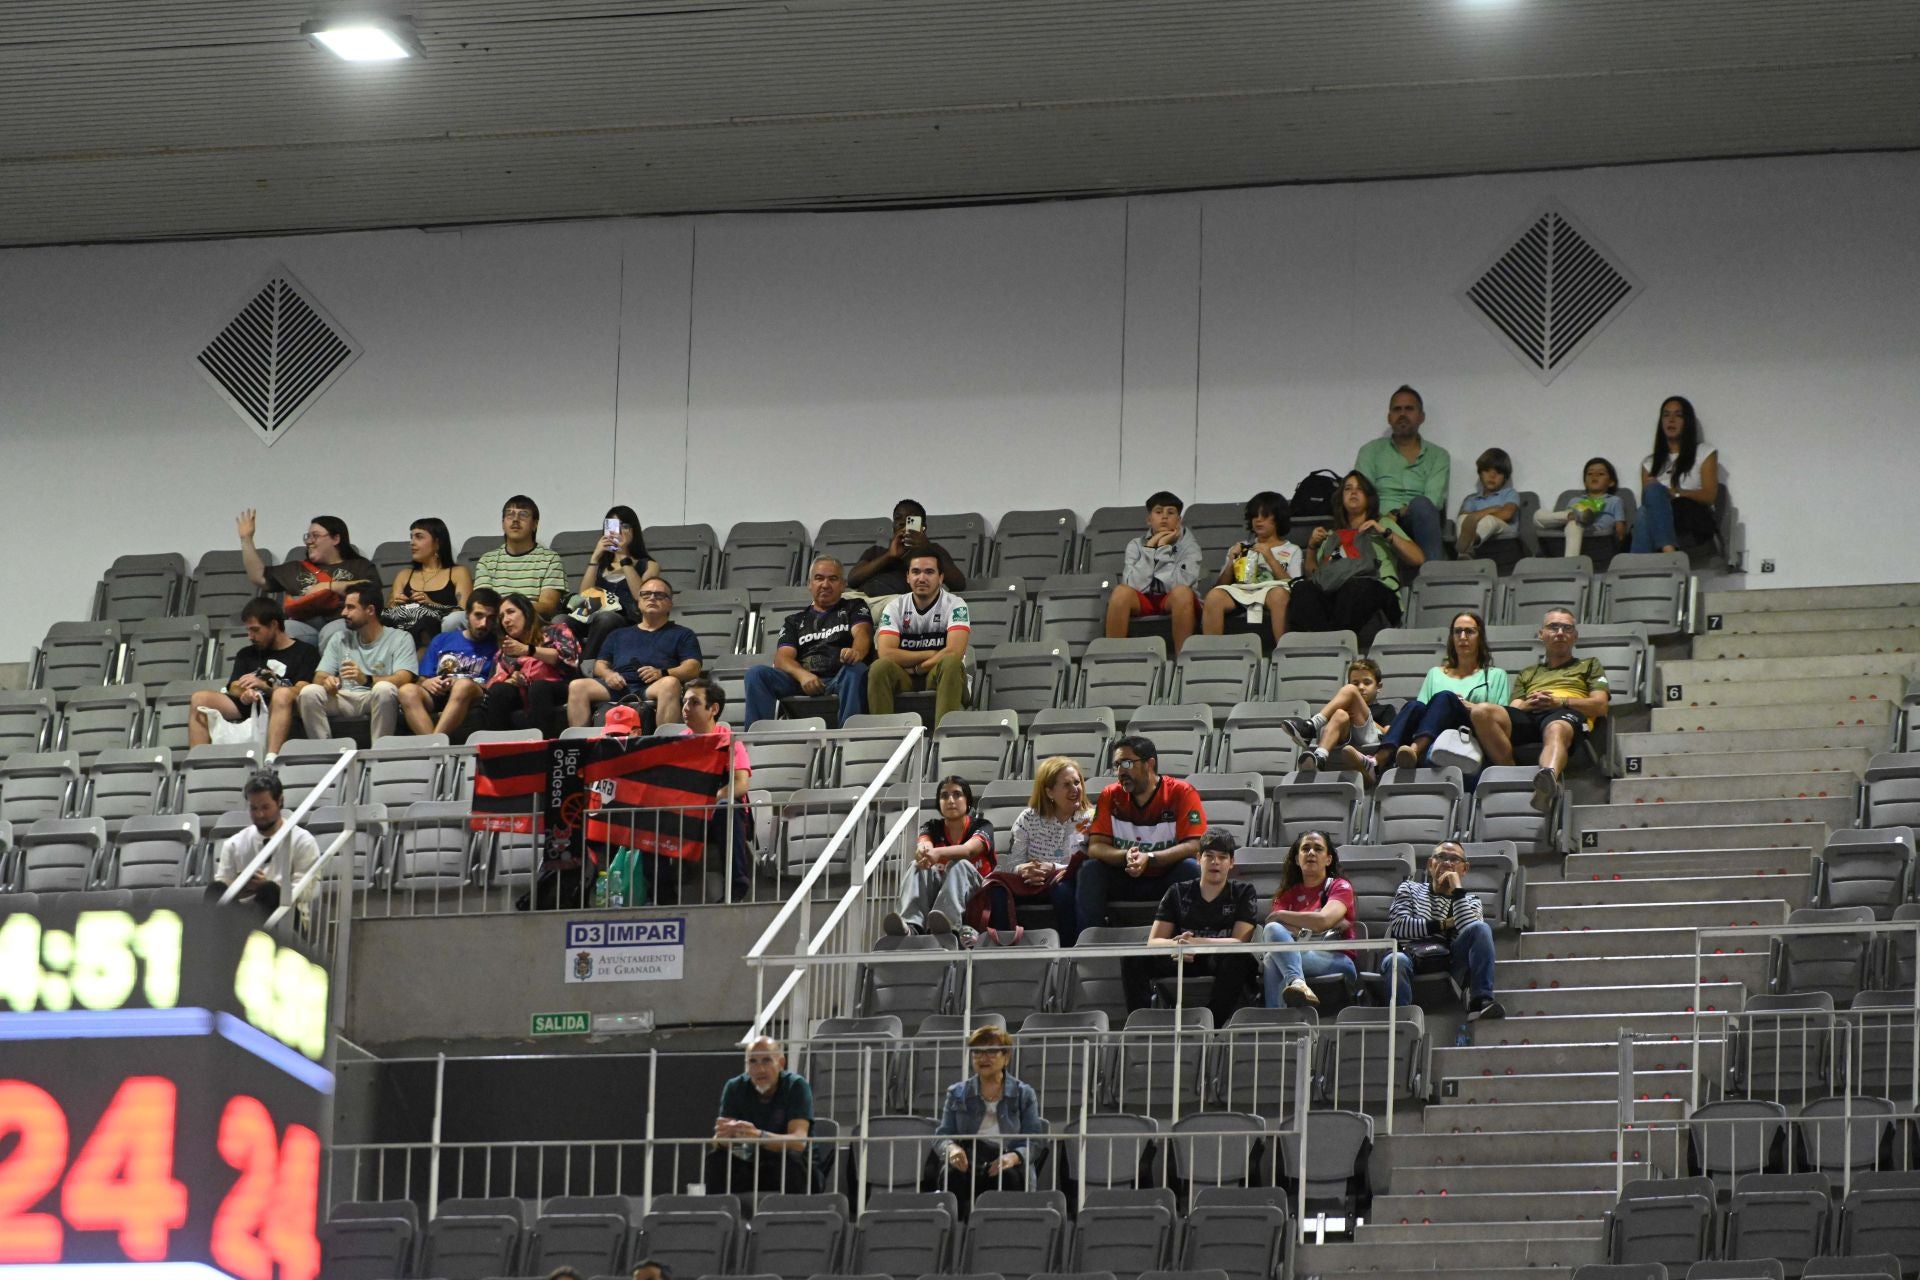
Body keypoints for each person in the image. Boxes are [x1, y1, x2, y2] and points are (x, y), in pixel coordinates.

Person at [1470, 608, 1610, 812]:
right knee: (1480, 712)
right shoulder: (1528, 673)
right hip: (1531, 714)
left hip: (1564, 713)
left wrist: (1559, 701)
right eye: (1553, 627)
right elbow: (1514, 708)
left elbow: (1600, 706)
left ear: (1575, 636)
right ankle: (1512, 776)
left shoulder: (1590, 665)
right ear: (1541, 634)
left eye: (1567, 628)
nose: (1560, 632)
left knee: (1556, 728)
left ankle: (1547, 782)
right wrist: (1530, 703)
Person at [1120, 831, 1259, 1023]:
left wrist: (1195, 943)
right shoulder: (1177, 891)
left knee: (1239, 958)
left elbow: (1239, 942)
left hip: (1219, 958)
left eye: (1222, 857)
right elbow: (1153, 942)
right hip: (1183, 957)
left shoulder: (1243, 892)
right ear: (1198, 859)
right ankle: (1141, 1023)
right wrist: (1176, 946)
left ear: (1231, 862)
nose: (1215, 862)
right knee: (1133, 958)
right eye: (1209, 856)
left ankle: (1211, 1025)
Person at [1076, 735, 1207, 930]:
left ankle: (1188, 943)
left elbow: (1195, 845)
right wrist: (1126, 856)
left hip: (1165, 877)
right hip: (1124, 876)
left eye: (1127, 763)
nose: (1120, 771)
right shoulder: (1110, 795)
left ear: (1149, 764)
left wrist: (1150, 857)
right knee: (1090, 870)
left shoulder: (1182, 792)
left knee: (1190, 869)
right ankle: (1089, 947)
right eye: (1117, 765)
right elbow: (1096, 847)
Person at [1289, 471, 1422, 648]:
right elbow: (1316, 576)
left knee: (1353, 587)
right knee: (1302, 589)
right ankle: (1326, 646)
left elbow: (1418, 558)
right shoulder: (1331, 535)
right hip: (1335, 595)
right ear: (1340, 498)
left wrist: (1384, 532)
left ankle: (1333, 646)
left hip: (1377, 593)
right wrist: (1312, 547)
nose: (1353, 492)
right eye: (1348, 489)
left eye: (1360, 489)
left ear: (1369, 497)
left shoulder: (1383, 524)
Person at [1380, 841, 1503, 1021]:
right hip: (1410, 956)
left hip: (1450, 960)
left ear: (1465, 868)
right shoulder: (1409, 888)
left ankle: (1481, 1001)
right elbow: (1400, 926)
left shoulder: (1471, 901)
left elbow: (1468, 928)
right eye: (1441, 857)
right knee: (1395, 960)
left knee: (1481, 928)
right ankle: (1401, 1024)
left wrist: (1457, 890)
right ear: (1431, 864)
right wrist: (1444, 924)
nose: (1447, 863)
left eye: (1454, 859)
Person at [1373, 612, 1511, 771]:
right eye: (1457, 631)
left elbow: (1501, 719)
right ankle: (1377, 761)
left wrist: (1469, 706)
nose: (1463, 636)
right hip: (1436, 735)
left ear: (1480, 637)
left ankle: (1415, 751)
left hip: (1472, 732)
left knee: (1445, 697)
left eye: (1470, 631)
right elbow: (1421, 711)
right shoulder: (1435, 674)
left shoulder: (1495, 675)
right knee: (1413, 706)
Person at [929, 1025, 1042, 1219]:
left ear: (1006, 1057)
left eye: (991, 1052)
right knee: (951, 1176)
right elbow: (942, 1136)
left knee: (1009, 1179)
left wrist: (1014, 1157)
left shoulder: (1024, 1093)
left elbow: (1036, 1141)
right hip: (970, 1159)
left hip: (1006, 1161)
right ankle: (955, 1234)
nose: (983, 1058)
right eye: (977, 1052)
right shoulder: (957, 1093)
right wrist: (952, 1150)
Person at [744, 558, 872, 727]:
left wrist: (856, 652)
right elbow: (782, 658)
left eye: (832, 579)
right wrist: (802, 675)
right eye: (819, 578)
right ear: (809, 584)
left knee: (856, 669)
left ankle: (848, 740)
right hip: (802, 680)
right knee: (756, 674)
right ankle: (757, 741)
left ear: (843, 584)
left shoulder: (854, 606)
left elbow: (863, 633)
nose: (825, 584)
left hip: (840, 677)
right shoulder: (794, 621)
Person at [566, 577, 702, 731]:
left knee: (670, 684)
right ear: (638, 601)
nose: (652, 598)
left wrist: (663, 673)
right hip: (619, 685)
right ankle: (582, 744)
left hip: (653, 686)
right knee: (577, 686)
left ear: (670, 603)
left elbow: (693, 667)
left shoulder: (683, 634)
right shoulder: (618, 634)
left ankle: (664, 742)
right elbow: (600, 665)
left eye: (659, 595)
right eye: (646, 594)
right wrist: (608, 675)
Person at [188, 597, 320, 754]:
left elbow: (301, 690)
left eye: (255, 630)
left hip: (283, 706)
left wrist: (267, 687)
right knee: (200, 698)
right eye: (248, 630)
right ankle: (197, 761)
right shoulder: (246, 654)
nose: (250, 636)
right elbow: (233, 686)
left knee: (282, 695)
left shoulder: (305, 652)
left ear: (273, 625)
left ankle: (271, 759)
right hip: (249, 705)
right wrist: (245, 693)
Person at [981, 755, 1090, 943]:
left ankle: (1069, 953)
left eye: (1077, 782)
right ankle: (1004, 952)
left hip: (1065, 881)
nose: (1075, 790)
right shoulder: (1028, 819)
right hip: (1030, 883)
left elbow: (1086, 863)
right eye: (1066, 785)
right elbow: (1013, 862)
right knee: (998, 892)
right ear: (1049, 792)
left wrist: (1052, 868)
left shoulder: (1089, 819)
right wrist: (1022, 869)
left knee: (1064, 891)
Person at [295, 583, 418, 744]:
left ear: (370, 610)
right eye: (344, 607)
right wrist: (327, 682)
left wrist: (366, 679)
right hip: (343, 697)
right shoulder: (339, 638)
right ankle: (324, 749)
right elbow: (320, 676)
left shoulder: (400, 638)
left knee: (384, 689)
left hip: (373, 697)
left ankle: (380, 750)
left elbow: (404, 677)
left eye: (350, 607)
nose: (344, 613)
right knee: (309, 692)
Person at [236, 509, 381, 646]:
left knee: (333, 633)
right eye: (308, 536)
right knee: (285, 629)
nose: (309, 541)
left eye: (315, 536)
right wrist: (246, 540)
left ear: (336, 538)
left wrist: (328, 586)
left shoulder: (358, 565)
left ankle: (328, 672)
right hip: (304, 623)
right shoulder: (296, 568)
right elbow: (258, 577)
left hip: (341, 620)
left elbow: (371, 588)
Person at [702, 1037, 814, 1198]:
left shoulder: (796, 1086)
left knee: (791, 1160)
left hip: (789, 1166)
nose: (759, 1069)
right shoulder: (734, 1087)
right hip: (750, 1163)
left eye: (766, 1061)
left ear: (781, 1063)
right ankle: (718, 1217)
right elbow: (719, 1141)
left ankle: (792, 1220)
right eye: (752, 1062)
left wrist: (759, 1136)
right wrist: (723, 1137)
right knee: (717, 1159)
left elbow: (798, 1142)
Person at [883, 776, 995, 937]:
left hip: (978, 896)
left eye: (957, 794)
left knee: (959, 865)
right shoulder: (931, 827)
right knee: (918, 865)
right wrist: (923, 852)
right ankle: (910, 927)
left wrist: (938, 853)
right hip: (939, 895)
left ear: (968, 800)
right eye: (944, 796)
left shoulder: (983, 826)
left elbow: (968, 850)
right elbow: (924, 845)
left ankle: (946, 926)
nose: (950, 800)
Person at [868, 553, 970, 726]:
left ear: (941, 578)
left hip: (938, 674)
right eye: (916, 572)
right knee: (879, 667)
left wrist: (918, 668)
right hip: (904, 677)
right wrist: (930, 653)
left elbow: (954, 651)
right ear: (908, 577)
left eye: (929, 572)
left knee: (951, 662)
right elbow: (886, 653)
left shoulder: (955, 604)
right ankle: (884, 736)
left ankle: (943, 738)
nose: (921, 578)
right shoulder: (895, 607)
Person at [1260, 829, 1358, 1008]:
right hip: (1296, 953)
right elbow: (1275, 930)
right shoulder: (1286, 895)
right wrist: (1315, 924)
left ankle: (1275, 1026)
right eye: (1305, 849)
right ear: (1297, 859)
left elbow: (1323, 920)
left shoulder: (1340, 886)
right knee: (1272, 937)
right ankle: (1297, 983)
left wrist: (1283, 916)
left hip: (1336, 958)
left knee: (1273, 958)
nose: (1311, 853)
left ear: (1328, 859)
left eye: (1318, 849)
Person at [1355, 385, 1450, 564]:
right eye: (1397, 409)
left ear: (1421, 417)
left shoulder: (1439, 456)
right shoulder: (1370, 451)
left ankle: (1433, 576)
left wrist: (1397, 513)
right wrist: (1385, 519)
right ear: (1389, 417)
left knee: (1422, 504)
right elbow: (1363, 495)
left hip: (1419, 521)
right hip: (1379, 521)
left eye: (1409, 409)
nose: (1403, 414)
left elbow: (1434, 500)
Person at [1104, 490, 1203, 654]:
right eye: (1158, 512)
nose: (1164, 517)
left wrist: (1164, 548)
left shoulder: (1190, 547)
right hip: (1145, 599)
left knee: (1182, 593)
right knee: (1120, 592)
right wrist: (1150, 549)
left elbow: (1180, 586)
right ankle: (1113, 657)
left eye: (1170, 513)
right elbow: (1131, 585)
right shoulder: (1135, 545)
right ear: (1149, 520)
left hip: (1174, 599)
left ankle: (1183, 661)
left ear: (1179, 520)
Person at [681, 677, 753, 901]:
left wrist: (709, 800)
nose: (685, 708)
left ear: (713, 709)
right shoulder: (678, 744)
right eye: (684, 702)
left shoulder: (730, 741)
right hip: (690, 815)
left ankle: (736, 887)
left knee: (725, 807)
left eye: (693, 702)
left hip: (721, 815)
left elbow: (740, 784)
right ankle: (661, 891)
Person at [212, 772, 320, 921]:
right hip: (244, 913)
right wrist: (241, 888)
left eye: (265, 807)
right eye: (253, 808)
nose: (260, 814)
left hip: (286, 915)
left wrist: (268, 884)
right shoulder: (234, 843)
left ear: (280, 801)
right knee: (216, 889)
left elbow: (307, 892)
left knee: (268, 890)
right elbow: (223, 885)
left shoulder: (303, 840)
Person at [395, 587, 501, 738]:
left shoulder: (497, 645)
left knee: (462, 685)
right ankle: (435, 746)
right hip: (440, 694)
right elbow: (422, 679)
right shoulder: (443, 639)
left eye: (491, 618)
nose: (484, 623)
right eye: (478, 615)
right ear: (467, 615)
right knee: (407, 691)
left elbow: (496, 686)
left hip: (473, 693)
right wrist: (426, 683)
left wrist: (460, 680)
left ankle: (435, 745)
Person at [1201, 491, 1303, 644]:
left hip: (1273, 592)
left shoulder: (1291, 550)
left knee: (1278, 595)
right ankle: (1211, 655)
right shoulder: (1241, 547)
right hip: (1242, 592)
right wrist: (1231, 563)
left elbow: (1295, 586)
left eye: (1265, 515)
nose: (1258, 520)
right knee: (1214, 596)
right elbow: (1220, 586)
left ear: (1278, 518)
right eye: (1255, 516)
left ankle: (1285, 652)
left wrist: (1270, 558)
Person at [476, 592, 581, 737]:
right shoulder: (506, 650)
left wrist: (528, 650)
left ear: (526, 611)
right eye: (501, 617)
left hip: (560, 687)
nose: (506, 620)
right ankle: (498, 748)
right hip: (524, 692)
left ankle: (543, 746)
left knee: (539, 687)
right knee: (500, 690)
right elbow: (492, 682)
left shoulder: (556, 631)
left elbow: (569, 660)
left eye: (510, 612)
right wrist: (511, 680)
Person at [571, 504, 662, 662]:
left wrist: (622, 556)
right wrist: (595, 558)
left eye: (624, 526)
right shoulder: (601, 564)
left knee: (606, 618)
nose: (618, 532)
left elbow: (641, 596)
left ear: (634, 530)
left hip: (625, 619)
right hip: (592, 615)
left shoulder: (648, 565)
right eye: (613, 527)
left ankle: (586, 666)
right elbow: (583, 597)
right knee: (561, 620)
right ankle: (563, 669)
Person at [1279, 657, 1393, 778]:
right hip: (1346, 739)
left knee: (1348, 693)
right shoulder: (1343, 705)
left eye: (1367, 682)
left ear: (1378, 686)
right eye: (1355, 683)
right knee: (1340, 714)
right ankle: (1320, 758)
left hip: (1369, 740)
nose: (1361, 687)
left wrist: (1362, 717)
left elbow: (1389, 734)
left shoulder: (1386, 709)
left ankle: (1310, 727)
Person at [1632, 396, 1719, 554]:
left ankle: (1637, 568)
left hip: (1692, 517)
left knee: (1652, 494)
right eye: (1666, 415)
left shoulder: (1704, 452)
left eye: (1678, 415)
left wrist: (1675, 493)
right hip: (1661, 519)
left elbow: (1709, 495)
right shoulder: (1649, 463)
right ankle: (1668, 551)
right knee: (1645, 509)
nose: (1671, 420)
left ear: (1687, 421)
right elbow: (1648, 503)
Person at [463, 495, 567, 626]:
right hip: (492, 620)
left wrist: (514, 611)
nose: (516, 520)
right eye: (510, 515)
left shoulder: (550, 559)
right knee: (456, 619)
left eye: (523, 514)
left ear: (535, 524)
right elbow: (483, 602)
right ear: (503, 524)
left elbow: (547, 607)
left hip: (531, 622)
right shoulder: (487, 560)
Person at [381, 517, 471, 647]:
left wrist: (431, 603)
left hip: (436, 631)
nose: (412, 542)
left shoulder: (458, 572)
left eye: (419, 537)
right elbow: (389, 610)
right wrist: (396, 602)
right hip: (404, 630)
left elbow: (464, 612)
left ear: (437, 543)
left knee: (426, 623)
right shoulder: (404, 575)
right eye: (411, 537)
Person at [851, 498, 969, 597]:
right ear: (893, 526)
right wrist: (889, 556)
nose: (903, 522)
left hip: (903, 607)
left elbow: (958, 584)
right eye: (898, 518)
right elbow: (853, 580)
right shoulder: (876, 551)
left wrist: (927, 549)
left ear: (923, 528)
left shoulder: (933, 551)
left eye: (910, 519)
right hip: (865, 605)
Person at [1535, 456, 1629, 566]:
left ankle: (1570, 565)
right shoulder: (1575, 500)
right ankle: (1578, 515)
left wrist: (1620, 538)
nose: (1594, 476)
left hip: (1597, 538)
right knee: (1538, 514)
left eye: (1601, 474)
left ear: (1611, 482)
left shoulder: (1614, 500)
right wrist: (1572, 516)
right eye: (1590, 474)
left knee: (1575, 524)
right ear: (1584, 481)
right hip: (1572, 529)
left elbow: (1620, 530)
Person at [1453, 448, 1521, 559]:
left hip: (1505, 536)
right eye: (1487, 470)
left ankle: (1469, 542)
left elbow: (1507, 514)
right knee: (1463, 518)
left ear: (1505, 477)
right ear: (1480, 474)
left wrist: (1476, 516)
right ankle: (1465, 553)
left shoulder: (1509, 493)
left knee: (1489, 520)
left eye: (1498, 472)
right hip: (1481, 537)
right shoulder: (1472, 500)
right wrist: (1493, 509)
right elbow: (1464, 519)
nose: (1492, 476)